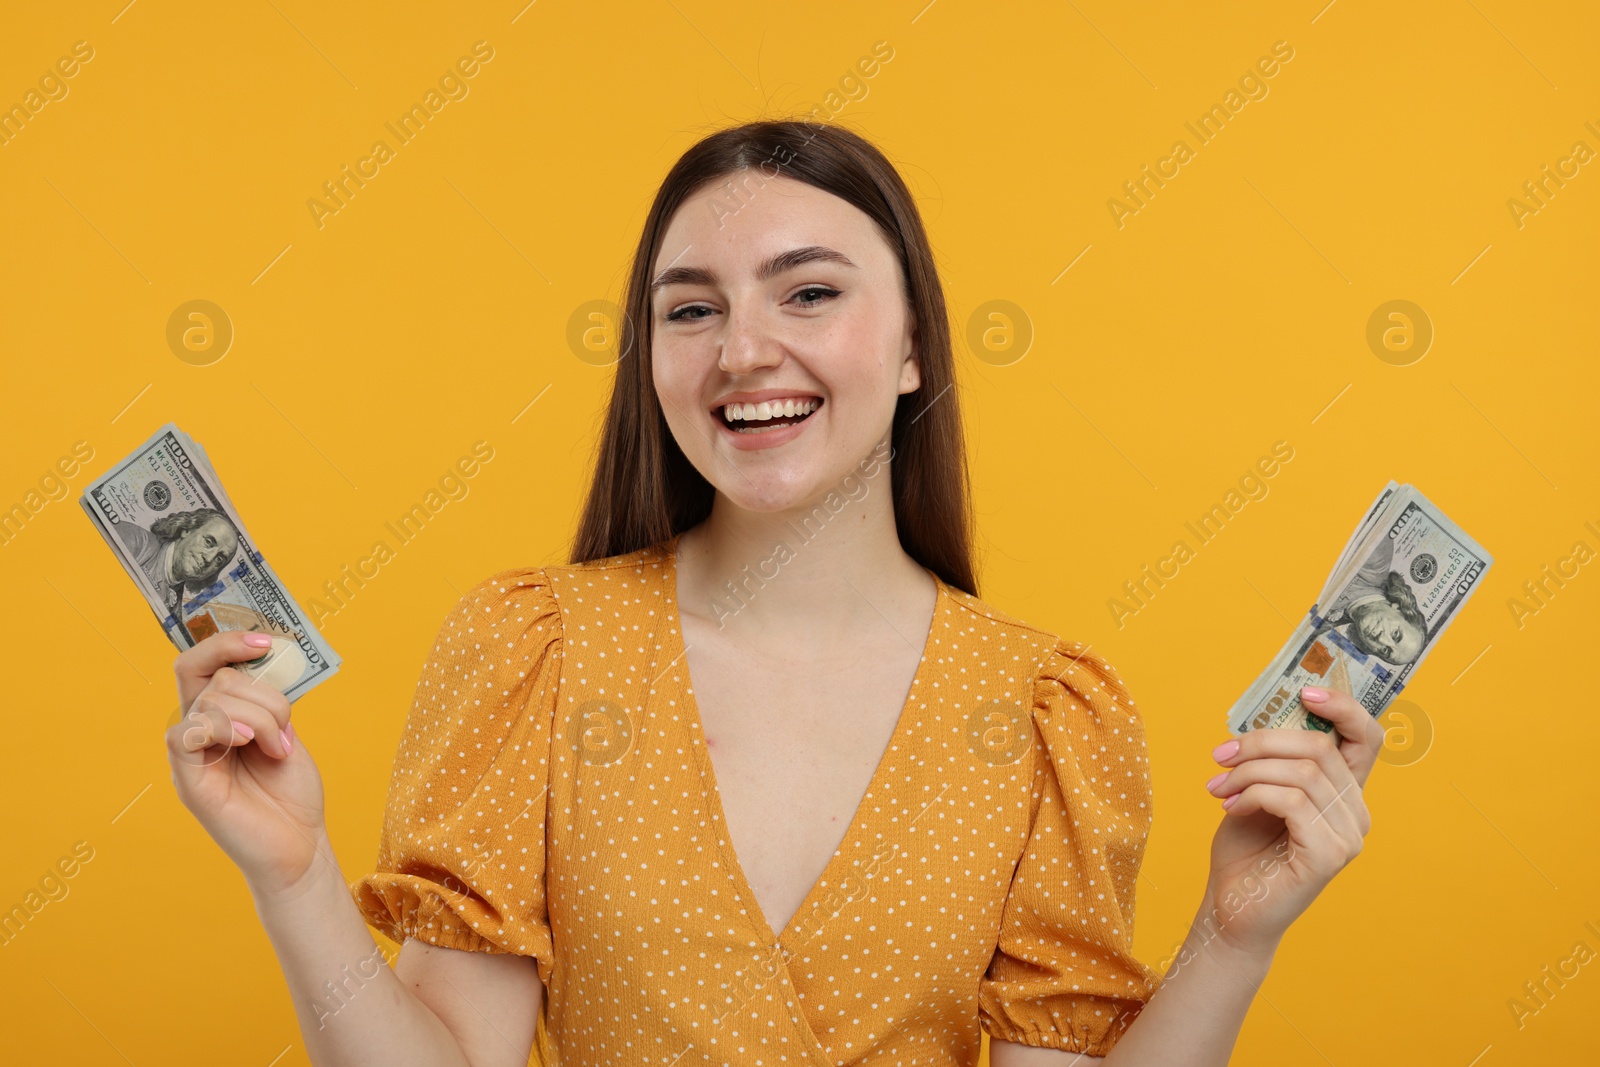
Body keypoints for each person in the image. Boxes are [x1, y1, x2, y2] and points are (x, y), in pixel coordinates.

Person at [164, 120, 1382, 1066]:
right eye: (691, 308)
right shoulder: (532, 649)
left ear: (913, 347)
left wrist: (1231, 932)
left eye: (808, 292)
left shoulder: (1048, 710)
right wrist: (295, 872)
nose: (743, 348)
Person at [1322, 534, 1427, 665]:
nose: (1382, 639)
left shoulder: (1322, 625)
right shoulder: (1377, 559)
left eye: (1385, 651)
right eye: (1395, 634)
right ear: (1398, 608)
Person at [115, 506, 238, 617]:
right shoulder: (133, 540)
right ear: (187, 530)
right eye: (208, 542)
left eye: (219, 559)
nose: (209, 558)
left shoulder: (175, 614)